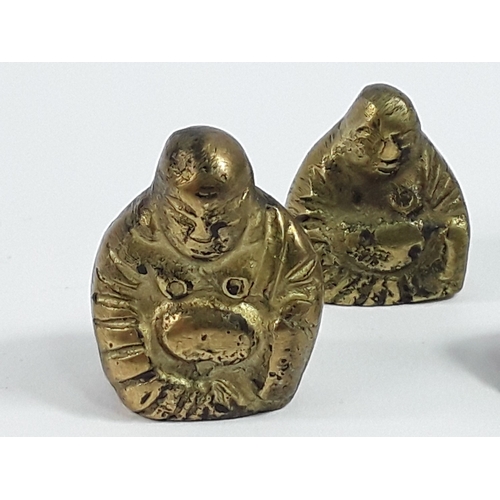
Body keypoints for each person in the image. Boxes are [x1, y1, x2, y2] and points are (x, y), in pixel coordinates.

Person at [92, 126, 323, 420]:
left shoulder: (276, 231)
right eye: (184, 219)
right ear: (161, 201)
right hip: (161, 384)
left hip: (253, 375)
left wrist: (276, 378)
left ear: (246, 203)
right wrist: (148, 389)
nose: (202, 235)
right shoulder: (131, 239)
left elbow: (301, 297)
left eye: (221, 220)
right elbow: (114, 314)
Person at [287, 84, 470, 305]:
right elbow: (300, 236)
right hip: (339, 273)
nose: (391, 154)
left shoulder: (424, 161)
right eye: (375, 142)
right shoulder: (323, 167)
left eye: (401, 141)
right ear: (352, 137)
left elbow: (454, 219)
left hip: (420, 270)